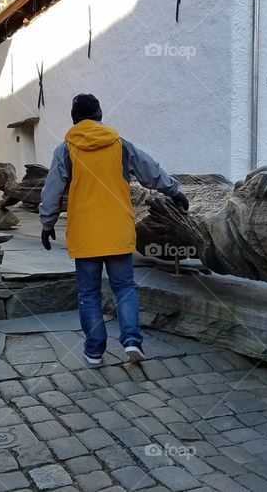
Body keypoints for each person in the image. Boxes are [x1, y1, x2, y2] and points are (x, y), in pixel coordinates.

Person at [39, 94, 189, 366]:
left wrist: (46, 224)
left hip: (86, 235)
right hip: (117, 230)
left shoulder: (65, 150)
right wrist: (174, 191)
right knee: (125, 289)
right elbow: (150, 170)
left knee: (89, 293)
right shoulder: (120, 145)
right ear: (99, 116)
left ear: (74, 119)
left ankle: (94, 351)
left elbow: (52, 191)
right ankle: (132, 341)